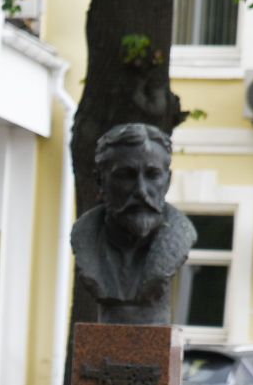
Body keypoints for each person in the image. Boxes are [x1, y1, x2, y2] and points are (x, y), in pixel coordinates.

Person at [70, 122, 196, 326]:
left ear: (167, 182)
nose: (141, 191)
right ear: (100, 181)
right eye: (126, 176)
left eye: (152, 175)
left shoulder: (179, 237)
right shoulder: (85, 238)